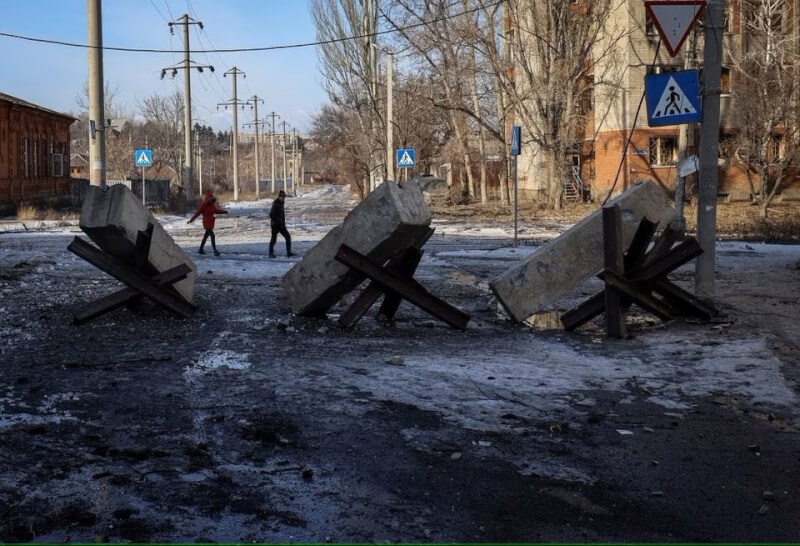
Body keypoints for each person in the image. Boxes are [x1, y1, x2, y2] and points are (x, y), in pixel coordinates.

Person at [188, 190, 228, 256]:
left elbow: (216, 211)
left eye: (212, 200)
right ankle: (215, 251)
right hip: (206, 223)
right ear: (207, 200)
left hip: (211, 222)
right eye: (210, 200)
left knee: (205, 236)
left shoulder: (212, 206)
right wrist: (191, 220)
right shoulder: (203, 206)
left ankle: (201, 249)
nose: (211, 201)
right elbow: (197, 213)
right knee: (212, 236)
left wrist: (224, 212)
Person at [269, 190, 295, 258]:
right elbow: (271, 215)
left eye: (284, 196)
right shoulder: (276, 204)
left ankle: (289, 252)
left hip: (281, 225)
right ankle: (270, 253)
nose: (284, 198)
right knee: (274, 239)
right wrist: (277, 222)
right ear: (279, 196)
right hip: (275, 225)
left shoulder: (281, 203)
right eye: (282, 196)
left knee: (288, 237)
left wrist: (282, 223)